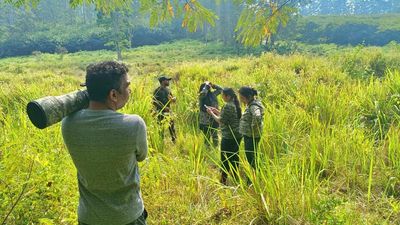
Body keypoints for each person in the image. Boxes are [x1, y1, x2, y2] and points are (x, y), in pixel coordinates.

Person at [62, 61, 148, 225]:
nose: (129, 90)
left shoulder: (68, 123)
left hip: (89, 217)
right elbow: (141, 156)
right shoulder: (134, 124)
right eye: (127, 85)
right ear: (113, 95)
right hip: (128, 217)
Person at [206, 88, 242, 185]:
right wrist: (217, 111)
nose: (222, 97)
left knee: (225, 159)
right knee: (234, 157)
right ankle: (235, 179)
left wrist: (212, 113)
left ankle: (223, 181)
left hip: (229, 136)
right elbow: (228, 117)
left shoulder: (228, 106)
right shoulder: (235, 104)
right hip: (237, 135)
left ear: (228, 96)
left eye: (223, 95)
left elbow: (221, 120)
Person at [238, 86, 264, 169]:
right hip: (250, 135)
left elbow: (257, 116)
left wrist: (253, 130)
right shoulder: (251, 104)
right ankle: (255, 174)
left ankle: (254, 175)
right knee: (252, 156)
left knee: (251, 157)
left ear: (247, 97)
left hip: (251, 136)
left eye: (241, 97)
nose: (240, 99)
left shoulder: (253, 106)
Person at [153, 75, 177, 143]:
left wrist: (174, 99)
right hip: (160, 112)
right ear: (163, 81)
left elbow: (171, 99)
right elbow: (154, 102)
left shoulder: (168, 90)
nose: (168, 81)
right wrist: (163, 107)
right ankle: (161, 142)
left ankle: (174, 140)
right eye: (167, 80)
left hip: (169, 111)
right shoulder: (157, 91)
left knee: (172, 127)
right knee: (161, 128)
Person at [199, 81, 223, 147]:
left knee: (215, 136)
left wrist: (214, 85)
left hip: (214, 118)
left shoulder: (213, 94)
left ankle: (216, 148)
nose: (207, 88)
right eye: (206, 87)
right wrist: (206, 86)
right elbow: (203, 93)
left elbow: (221, 90)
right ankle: (207, 150)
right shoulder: (201, 96)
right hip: (205, 121)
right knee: (207, 137)